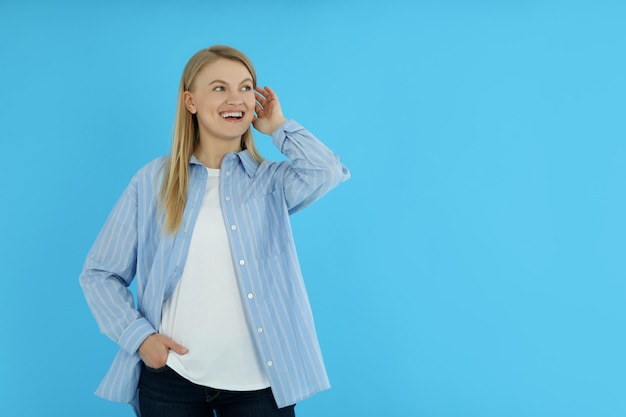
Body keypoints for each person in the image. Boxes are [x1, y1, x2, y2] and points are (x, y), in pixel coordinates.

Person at [79, 45, 350, 417]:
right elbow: (100, 273)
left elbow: (328, 171)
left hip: (259, 384)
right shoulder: (153, 182)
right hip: (171, 378)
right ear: (190, 101)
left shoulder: (270, 182)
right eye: (219, 88)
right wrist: (139, 339)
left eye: (244, 87)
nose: (235, 98)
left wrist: (278, 128)